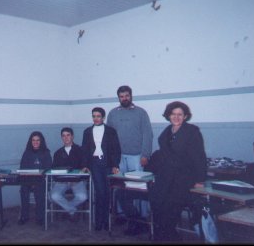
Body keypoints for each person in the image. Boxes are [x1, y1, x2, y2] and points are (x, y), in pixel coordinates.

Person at [147, 101, 207, 242]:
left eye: (180, 114)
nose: (176, 117)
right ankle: (164, 238)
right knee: (156, 204)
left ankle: (168, 238)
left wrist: (200, 180)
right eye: (173, 114)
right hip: (165, 178)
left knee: (169, 213)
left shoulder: (192, 131)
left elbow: (199, 157)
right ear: (168, 115)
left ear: (185, 116)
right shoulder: (166, 132)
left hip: (183, 180)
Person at [107, 85, 153, 225]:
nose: (124, 98)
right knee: (121, 186)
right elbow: (110, 136)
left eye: (127, 95)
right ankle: (122, 214)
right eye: (121, 96)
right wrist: (112, 158)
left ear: (131, 96)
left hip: (137, 156)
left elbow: (148, 135)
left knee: (139, 187)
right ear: (118, 98)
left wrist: (145, 155)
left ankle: (143, 216)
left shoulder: (141, 113)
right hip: (119, 157)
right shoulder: (113, 113)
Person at [82, 107, 121, 231]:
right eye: (94, 116)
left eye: (98, 116)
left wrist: (115, 165)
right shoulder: (87, 131)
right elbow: (85, 149)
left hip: (107, 164)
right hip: (94, 164)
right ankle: (99, 221)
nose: (96, 118)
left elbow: (116, 149)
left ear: (103, 117)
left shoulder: (111, 131)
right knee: (99, 192)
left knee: (107, 192)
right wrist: (85, 165)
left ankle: (107, 221)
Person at [50, 127, 88, 222]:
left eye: (68, 135)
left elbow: (84, 167)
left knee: (83, 196)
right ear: (61, 138)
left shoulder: (80, 150)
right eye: (63, 136)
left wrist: (76, 178)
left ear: (72, 136)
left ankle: (66, 209)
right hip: (61, 182)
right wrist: (64, 180)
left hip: (77, 181)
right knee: (54, 195)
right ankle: (72, 210)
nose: (66, 138)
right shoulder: (57, 153)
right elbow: (54, 171)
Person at [18, 131, 52, 226]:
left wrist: (39, 175)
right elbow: (22, 168)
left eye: (38, 140)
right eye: (33, 140)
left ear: (41, 141)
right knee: (23, 190)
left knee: (39, 189)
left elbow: (48, 168)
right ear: (30, 141)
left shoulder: (46, 152)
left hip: (41, 180)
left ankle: (40, 217)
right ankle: (24, 216)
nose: (35, 142)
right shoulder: (27, 153)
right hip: (28, 180)